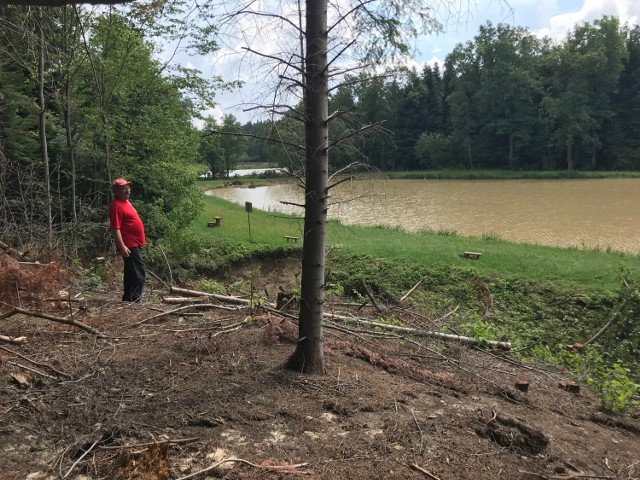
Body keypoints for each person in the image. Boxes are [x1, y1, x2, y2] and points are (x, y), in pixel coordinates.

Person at [109, 178, 146, 303]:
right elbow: (115, 228)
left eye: (128, 187)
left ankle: (128, 298)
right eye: (123, 188)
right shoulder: (116, 206)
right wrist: (122, 246)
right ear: (116, 191)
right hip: (128, 244)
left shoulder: (126, 202)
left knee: (130, 272)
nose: (127, 190)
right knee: (138, 272)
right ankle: (135, 300)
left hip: (134, 242)